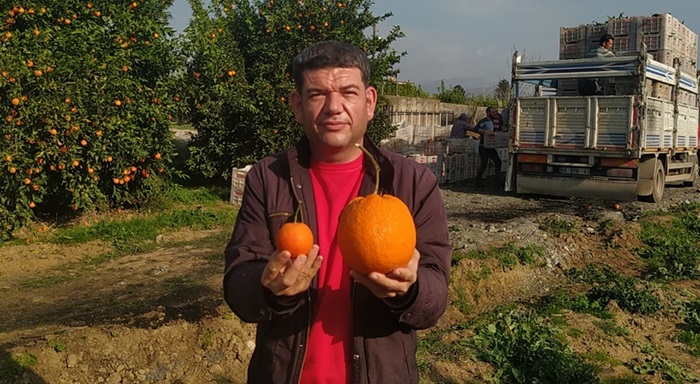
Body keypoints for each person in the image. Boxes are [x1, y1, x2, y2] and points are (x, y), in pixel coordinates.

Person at [223, 40, 452, 384]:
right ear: (298, 105)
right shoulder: (268, 178)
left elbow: (436, 295)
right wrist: (269, 290)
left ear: (370, 102)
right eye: (317, 95)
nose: (334, 107)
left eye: (348, 92)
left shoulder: (412, 182)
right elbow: (238, 281)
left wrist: (410, 290)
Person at [474, 106, 503, 187]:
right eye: (493, 112)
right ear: (488, 113)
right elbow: (476, 129)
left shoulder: (496, 122)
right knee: (484, 164)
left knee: (498, 162)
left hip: (491, 147)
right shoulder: (484, 121)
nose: (495, 114)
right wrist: (485, 132)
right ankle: (477, 181)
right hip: (483, 147)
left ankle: (498, 180)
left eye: (495, 112)